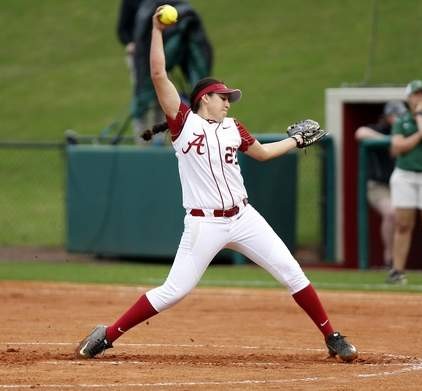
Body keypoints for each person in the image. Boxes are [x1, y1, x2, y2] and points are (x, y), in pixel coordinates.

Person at [75, 6, 358, 363]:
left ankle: (331, 336)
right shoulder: (182, 123)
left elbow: (263, 154)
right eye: (222, 96)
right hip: (204, 222)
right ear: (203, 99)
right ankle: (108, 335)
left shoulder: (233, 127)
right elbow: (158, 72)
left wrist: (296, 142)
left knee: (292, 272)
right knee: (174, 291)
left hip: (243, 216)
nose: (227, 101)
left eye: (229, 98)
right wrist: (156, 31)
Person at [117, 0, 213, 145]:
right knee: (145, 102)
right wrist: (131, 43)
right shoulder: (132, 3)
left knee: (163, 101)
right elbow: (122, 30)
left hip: (168, 51)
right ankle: (143, 144)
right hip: (140, 56)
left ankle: (160, 143)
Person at [387, 80, 422, 284]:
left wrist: (421, 118)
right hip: (405, 175)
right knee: (403, 224)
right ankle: (397, 271)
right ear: (408, 98)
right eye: (415, 94)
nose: (419, 98)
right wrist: (421, 132)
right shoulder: (400, 121)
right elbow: (398, 145)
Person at [355, 100, 407, 268]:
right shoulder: (379, 130)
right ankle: (389, 257)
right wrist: (389, 140)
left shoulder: (408, 131)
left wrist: (400, 142)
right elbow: (360, 133)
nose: (397, 119)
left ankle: (399, 263)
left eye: (400, 116)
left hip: (403, 185)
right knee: (391, 213)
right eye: (394, 116)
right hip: (379, 186)